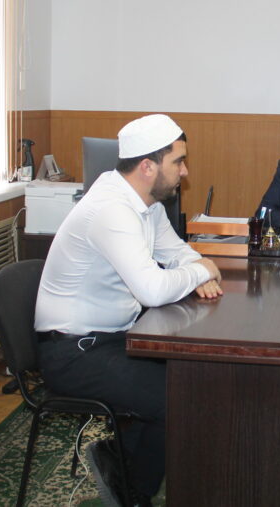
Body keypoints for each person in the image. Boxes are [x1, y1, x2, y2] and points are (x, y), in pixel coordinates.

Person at [34, 114, 223, 506]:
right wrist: (201, 270)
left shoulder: (146, 204)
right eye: (179, 162)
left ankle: (117, 458)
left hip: (112, 337)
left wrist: (197, 268)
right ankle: (134, 492)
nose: (185, 172)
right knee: (178, 397)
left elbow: (177, 252)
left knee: (194, 376)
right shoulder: (112, 209)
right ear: (147, 166)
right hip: (73, 351)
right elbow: (152, 290)